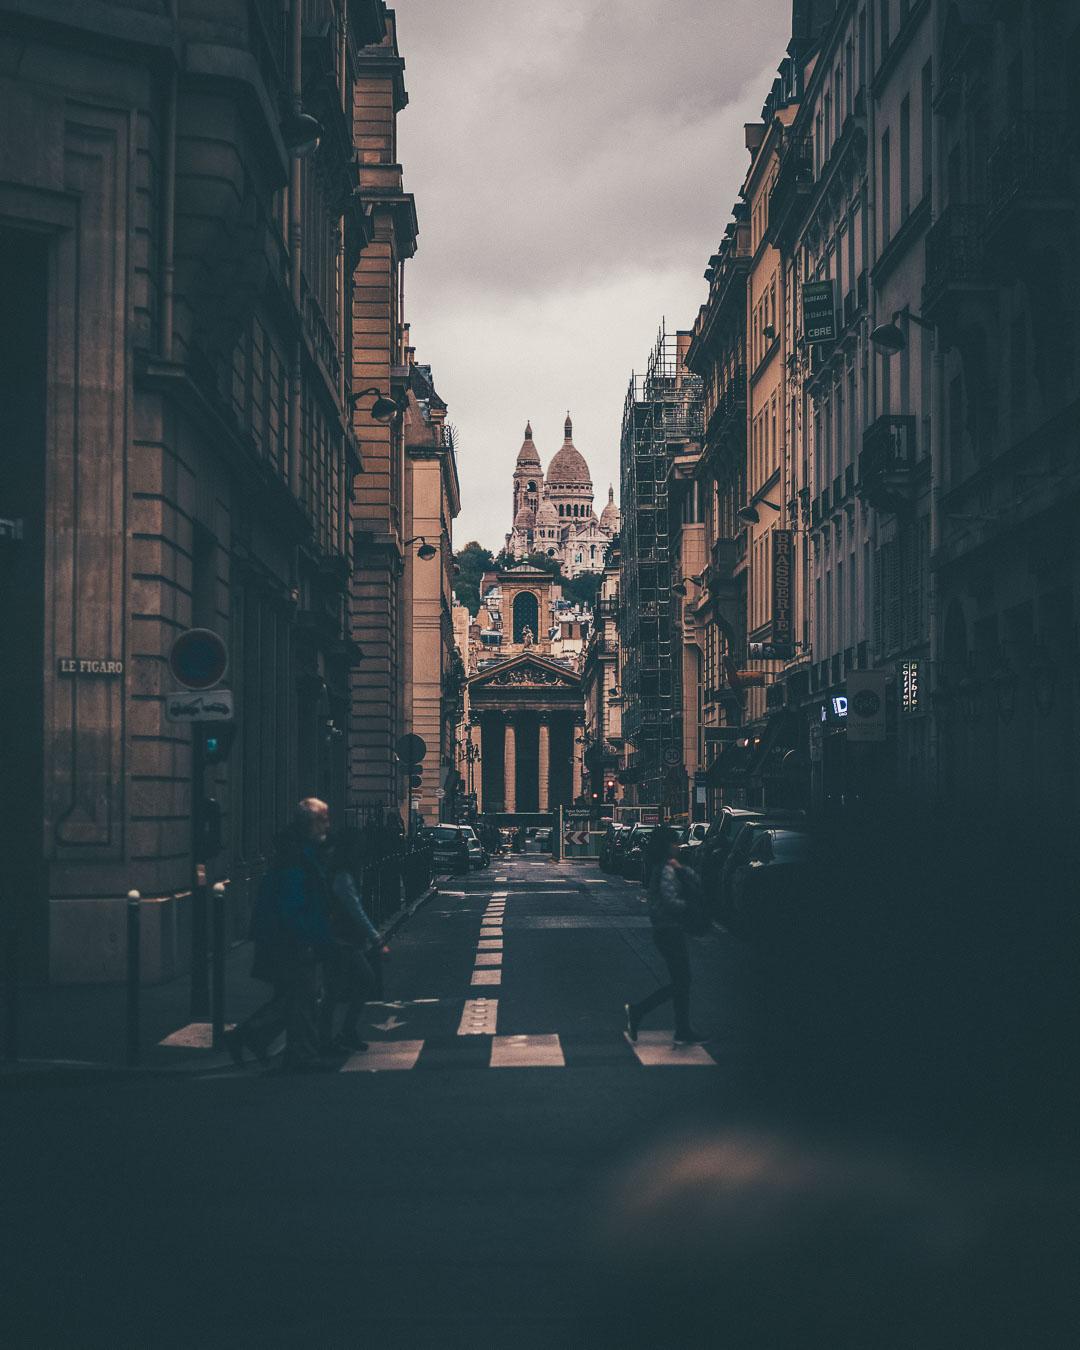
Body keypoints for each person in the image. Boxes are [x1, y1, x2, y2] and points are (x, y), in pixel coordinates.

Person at [225, 798, 337, 1072]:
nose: (328, 825)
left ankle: (252, 1038)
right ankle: (300, 1056)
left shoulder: (298, 851)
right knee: (304, 998)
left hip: (287, 938)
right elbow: (293, 905)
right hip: (292, 942)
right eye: (323, 820)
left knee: (292, 998)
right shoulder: (297, 857)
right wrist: (307, 940)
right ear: (309, 823)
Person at [624, 824, 706, 1047]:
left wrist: (681, 869)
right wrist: (688, 907)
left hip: (667, 930)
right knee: (682, 981)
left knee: (681, 981)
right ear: (667, 846)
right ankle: (641, 1012)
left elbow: (694, 882)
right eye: (675, 843)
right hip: (669, 930)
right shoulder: (666, 870)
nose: (679, 846)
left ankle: (681, 1027)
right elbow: (670, 900)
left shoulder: (666, 867)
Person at [319, 828, 390, 1053]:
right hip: (341, 939)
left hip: (345, 939)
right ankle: (333, 1036)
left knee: (337, 989)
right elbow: (354, 910)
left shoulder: (343, 872)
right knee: (351, 984)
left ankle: (336, 1035)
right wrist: (376, 939)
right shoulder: (342, 876)